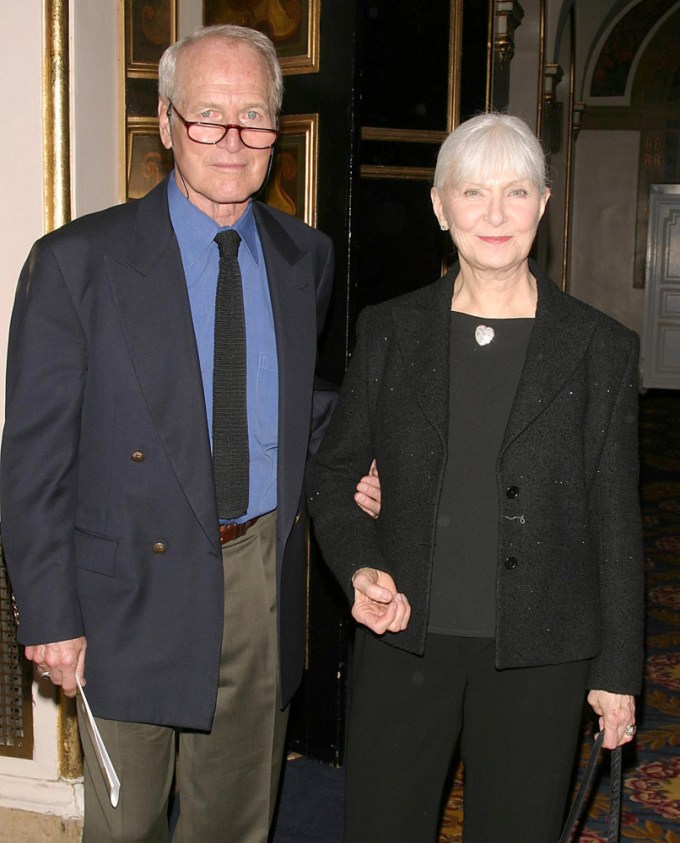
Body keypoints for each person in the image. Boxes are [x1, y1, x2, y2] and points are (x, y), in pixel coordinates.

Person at [1, 24, 378, 843]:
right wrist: (49, 612)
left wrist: (354, 454)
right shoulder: (77, 262)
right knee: (127, 823)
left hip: (259, 573)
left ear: (278, 130)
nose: (232, 139)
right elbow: (32, 457)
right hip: (127, 580)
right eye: (208, 114)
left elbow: (284, 395)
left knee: (235, 822)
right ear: (168, 123)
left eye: (254, 117)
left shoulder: (302, 256)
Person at [306, 112, 645, 843]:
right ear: (439, 205)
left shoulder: (600, 348)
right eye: (473, 192)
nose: (495, 214)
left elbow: (617, 519)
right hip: (405, 638)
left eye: (517, 192)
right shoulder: (391, 331)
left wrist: (618, 669)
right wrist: (360, 564)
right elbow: (334, 476)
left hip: (540, 654)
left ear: (545, 204)